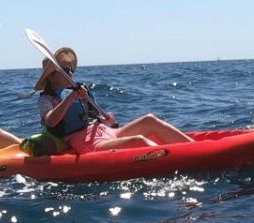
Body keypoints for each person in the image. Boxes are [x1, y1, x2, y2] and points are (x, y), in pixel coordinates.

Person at [33, 48, 194, 155]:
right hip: (87, 144)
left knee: (150, 120)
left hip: (105, 132)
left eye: (71, 70)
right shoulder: (47, 99)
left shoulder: (80, 91)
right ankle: (178, 159)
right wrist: (70, 98)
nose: (71, 73)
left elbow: (97, 116)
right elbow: (51, 121)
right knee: (138, 141)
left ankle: (195, 149)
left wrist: (107, 119)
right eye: (65, 70)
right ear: (52, 76)